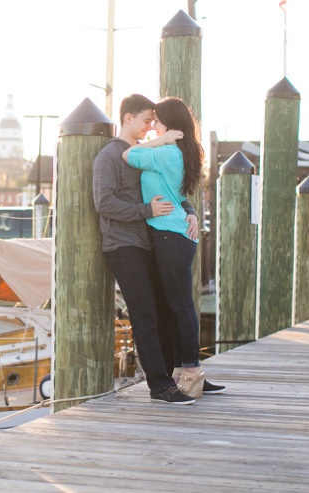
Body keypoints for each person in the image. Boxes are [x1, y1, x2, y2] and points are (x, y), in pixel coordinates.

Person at [93, 94, 202, 405]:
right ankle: (158, 385)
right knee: (145, 314)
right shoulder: (110, 156)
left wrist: (190, 210)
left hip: (149, 241)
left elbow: (169, 188)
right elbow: (104, 203)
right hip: (123, 244)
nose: (151, 126)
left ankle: (178, 378)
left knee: (167, 311)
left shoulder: (150, 151)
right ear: (128, 118)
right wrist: (146, 211)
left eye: (154, 121)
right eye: (146, 121)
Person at [123, 96, 212, 399]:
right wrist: (192, 213)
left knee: (181, 306)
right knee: (178, 307)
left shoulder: (166, 152)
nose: (153, 126)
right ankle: (184, 369)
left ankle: (191, 369)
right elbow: (177, 194)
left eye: (157, 121)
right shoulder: (176, 152)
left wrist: (160, 139)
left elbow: (129, 155)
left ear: (170, 125)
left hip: (169, 236)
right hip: (175, 233)